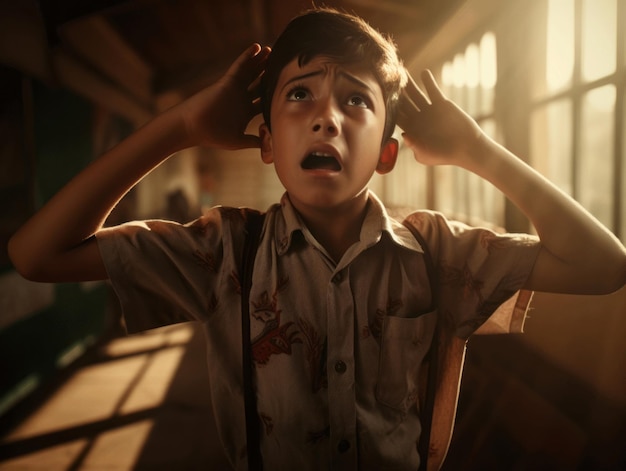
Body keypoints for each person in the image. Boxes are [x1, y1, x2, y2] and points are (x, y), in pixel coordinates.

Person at [7, 7, 626, 471]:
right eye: (299, 94)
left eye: (357, 99)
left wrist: (478, 151)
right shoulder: (224, 254)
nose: (327, 116)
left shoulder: (439, 252)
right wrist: (180, 128)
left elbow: (604, 265)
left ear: (387, 153)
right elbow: (35, 256)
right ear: (269, 140)